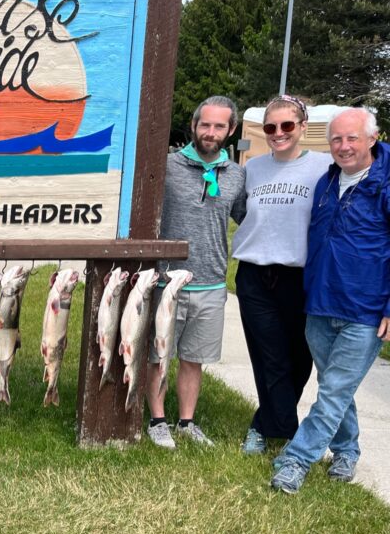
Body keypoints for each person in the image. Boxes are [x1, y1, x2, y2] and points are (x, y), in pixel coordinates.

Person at [270, 107, 390, 494]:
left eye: (352, 137)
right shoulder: (326, 182)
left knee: (335, 390)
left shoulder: (385, 183)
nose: (343, 146)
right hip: (320, 303)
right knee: (335, 387)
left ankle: (296, 460)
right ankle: (346, 449)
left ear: (372, 138)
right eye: (337, 139)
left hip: (365, 310)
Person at [146, 95, 246, 448]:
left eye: (220, 126)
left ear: (231, 130)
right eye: (205, 124)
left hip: (212, 282)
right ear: (193, 126)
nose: (211, 132)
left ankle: (186, 422)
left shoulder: (236, 175)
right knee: (158, 354)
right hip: (166, 280)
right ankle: (157, 420)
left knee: (194, 358)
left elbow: (246, 219)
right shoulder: (166, 166)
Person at [233, 95, 331, 454]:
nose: (278, 133)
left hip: (300, 275)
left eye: (287, 125)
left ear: (303, 127)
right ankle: (283, 430)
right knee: (267, 353)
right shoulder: (253, 168)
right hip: (254, 273)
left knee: (299, 357)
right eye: (271, 127)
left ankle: (267, 423)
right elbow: (239, 211)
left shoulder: (324, 166)